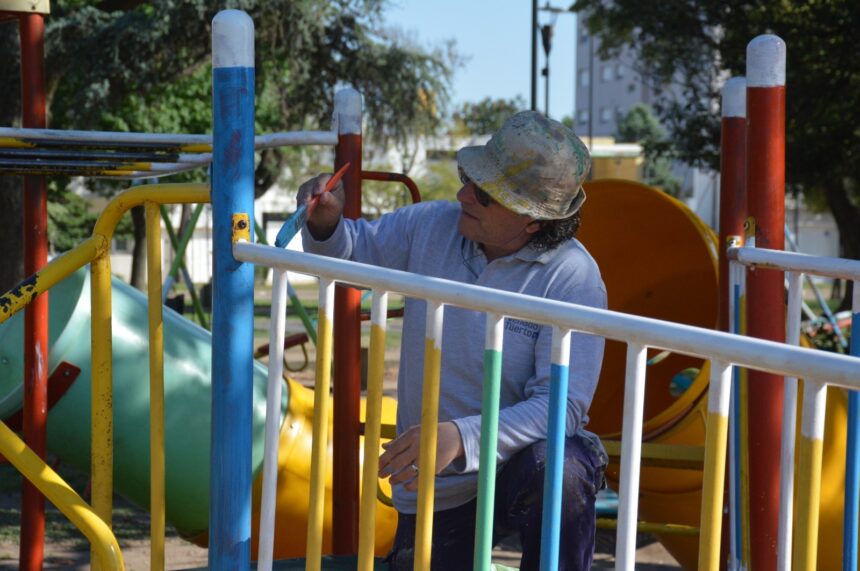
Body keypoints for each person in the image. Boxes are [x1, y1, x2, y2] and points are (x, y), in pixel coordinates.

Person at [298, 111, 607, 570]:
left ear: (533, 221)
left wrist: (460, 437)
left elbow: (560, 406)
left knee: (560, 468)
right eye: (469, 178)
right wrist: (326, 224)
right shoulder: (431, 225)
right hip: (436, 484)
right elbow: (351, 254)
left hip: (514, 465)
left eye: (484, 193)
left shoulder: (573, 277)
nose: (463, 194)